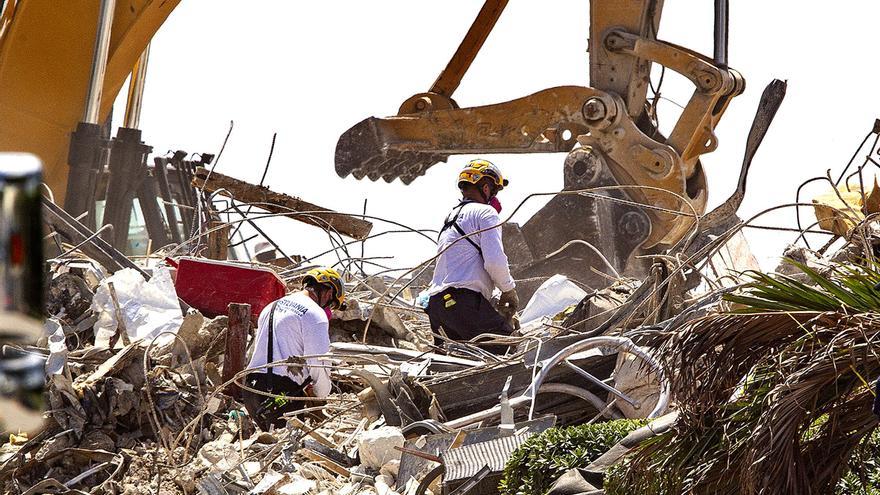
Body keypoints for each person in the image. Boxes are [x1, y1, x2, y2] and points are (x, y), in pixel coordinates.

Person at [425, 158, 519, 344]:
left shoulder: (451, 218)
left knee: (462, 364)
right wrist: (508, 290)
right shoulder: (486, 213)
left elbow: (463, 269)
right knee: (508, 348)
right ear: (486, 188)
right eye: (495, 191)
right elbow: (494, 261)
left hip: (437, 306)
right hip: (461, 302)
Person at [241, 267, 345, 430]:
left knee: (268, 447)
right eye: (331, 304)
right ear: (329, 292)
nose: (328, 310)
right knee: (290, 451)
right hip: (279, 394)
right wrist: (322, 394)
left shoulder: (272, 306)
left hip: (250, 389)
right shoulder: (315, 315)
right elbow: (319, 364)